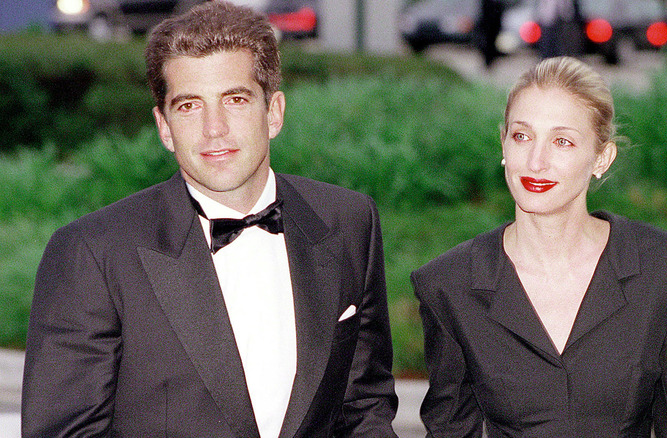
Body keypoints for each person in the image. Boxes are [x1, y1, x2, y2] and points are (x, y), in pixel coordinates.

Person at [22, 2, 398, 437]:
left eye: (235, 99)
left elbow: (365, 405)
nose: (213, 128)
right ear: (164, 127)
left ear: (273, 112)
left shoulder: (348, 222)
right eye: (188, 106)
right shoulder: (93, 253)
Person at [411, 57, 667, 436]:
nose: (536, 162)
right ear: (503, 143)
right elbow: (450, 430)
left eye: (562, 141)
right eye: (522, 136)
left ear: (601, 158)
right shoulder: (449, 284)